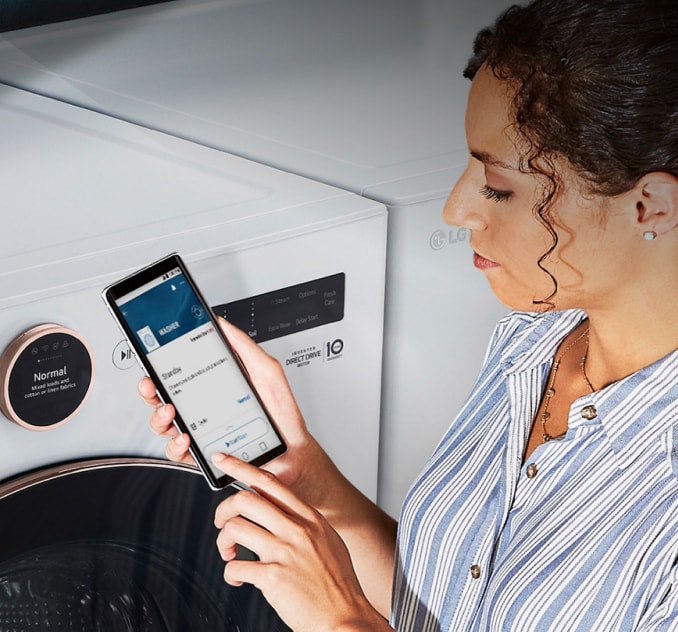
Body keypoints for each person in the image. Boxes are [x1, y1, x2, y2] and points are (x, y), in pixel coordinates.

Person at [138, 0, 678, 629]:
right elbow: (450, 606)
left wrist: (339, 618)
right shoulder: (530, 344)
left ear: (651, 207)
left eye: (498, 187)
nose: (456, 209)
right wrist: (310, 477)